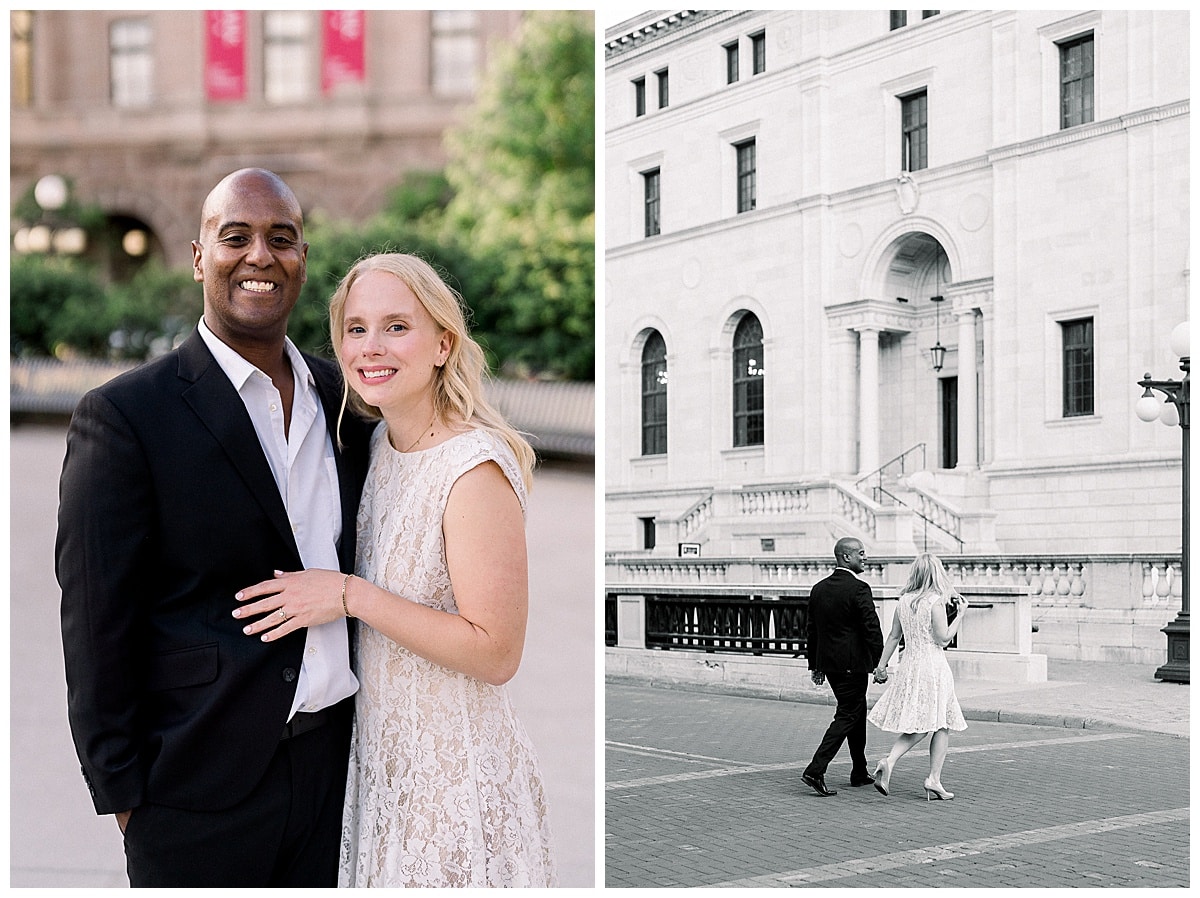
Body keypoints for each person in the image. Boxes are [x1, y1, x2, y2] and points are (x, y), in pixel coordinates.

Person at [56, 168, 372, 887]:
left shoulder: (345, 399)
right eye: (236, 237)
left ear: (301, 258)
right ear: (200, 258)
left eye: (281, 239)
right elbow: (96, 621)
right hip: (196, 794)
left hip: (340, 777)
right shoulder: (126, 417)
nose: (260, 255)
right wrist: (129, 799)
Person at [233, 252, 557, 887]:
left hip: (457, 792)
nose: (370, 347)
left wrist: (350, 596)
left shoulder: (473, 469)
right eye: (356, 329)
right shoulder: (375, 445)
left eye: (396, 327)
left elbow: (496, 652)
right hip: (380, 780)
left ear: (443, 342)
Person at [867, 552, 968, 801]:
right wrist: (961, 615)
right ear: (936, 574)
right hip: (932, 667)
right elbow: (943, 639)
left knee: (923, 722)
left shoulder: (903, 601)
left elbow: (893, 637)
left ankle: (892, 762)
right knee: (940, 723)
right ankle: (931, 778)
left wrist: (881, 666)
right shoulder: (934, 602)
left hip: (909, 665)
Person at [801, 537, 885, 797]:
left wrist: (815, 665)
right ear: (846, 557)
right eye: (861, 553)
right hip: (853, 666)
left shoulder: (818, 588)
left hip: (832, 665)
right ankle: (816, 769)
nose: (865, 558)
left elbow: (812, 631)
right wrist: (880, 663)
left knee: (856, 714)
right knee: (849, 714)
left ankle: (859, 770)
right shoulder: (859, 589)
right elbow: (871, 628)